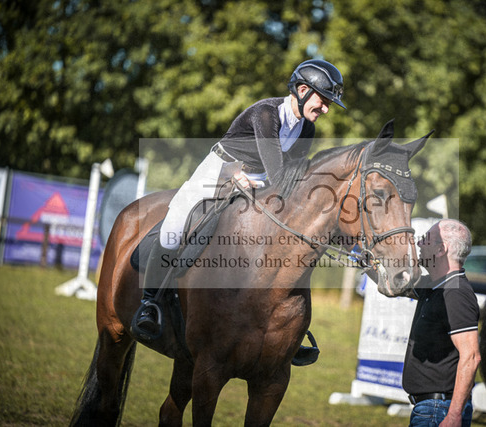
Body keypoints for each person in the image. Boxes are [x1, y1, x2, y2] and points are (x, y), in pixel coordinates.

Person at [134, 59, 346, 336]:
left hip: (259, 181)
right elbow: (280, 174)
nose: (326, 109)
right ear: (303, 90)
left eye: (328, 103)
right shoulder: (266, 113)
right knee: (175, 224)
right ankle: (149, 303)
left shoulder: (307, 128)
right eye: (323, 101)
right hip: (219, 171)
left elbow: (290, 180)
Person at [400, 219, 481, 427]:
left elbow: (471, 356)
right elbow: (394, 285)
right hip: (432, 409)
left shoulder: (456, 293)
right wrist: (365, 260)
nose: (419, 244)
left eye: (425, 239)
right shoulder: (436, 285)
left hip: (439, 410)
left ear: (440, 249)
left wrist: (454, 415)